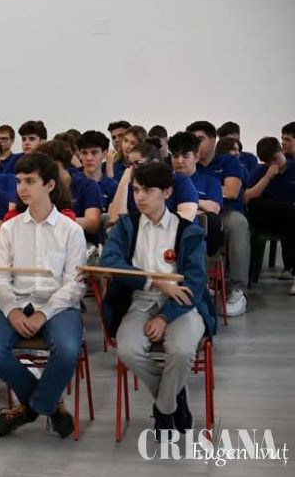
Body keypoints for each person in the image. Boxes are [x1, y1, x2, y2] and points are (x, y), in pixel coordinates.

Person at [100, 161, 215, 432]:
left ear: (166, 192)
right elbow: (110, 262)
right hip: (139, 300)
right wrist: (154, 281)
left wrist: (164, 317)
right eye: (136, 190)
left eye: (148, 190)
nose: (139, 197)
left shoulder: (188, 230)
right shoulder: (126, 226)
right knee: (127, 349)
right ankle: (174, 396)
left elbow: (195, 284)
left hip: (182, 304)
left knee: (182, 350)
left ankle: (164, 409)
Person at [0, 152, 85, 439]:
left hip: (58, 305)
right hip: (15, 301)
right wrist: (12, 310)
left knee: (67, 350)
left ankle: (29, 409)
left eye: (30, 181)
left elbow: (75, 285)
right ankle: (49, 404)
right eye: (19, 181)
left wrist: (44, 313)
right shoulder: (9, 229)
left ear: (50, 185)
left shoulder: (71, 230)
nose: (22, 188)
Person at [187, 121, 249, 317]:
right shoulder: (189, 162)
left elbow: (232, 191)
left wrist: (203, 193)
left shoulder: (228, 161)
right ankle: (200, 284)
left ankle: (238, 291)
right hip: (197, 211)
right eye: (192, 140)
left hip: (226, 212)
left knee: (238, 224)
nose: (196, 144)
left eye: (200, 139)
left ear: (213, 140)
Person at [244, 136, 295, 290]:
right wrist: (267, 177)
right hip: (267, 218)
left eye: (275, 159)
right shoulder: (261, 171)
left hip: (289, 220)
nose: (273, 164)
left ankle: (291, 268)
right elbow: (247, 198)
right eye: (268, 162)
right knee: (255, 203)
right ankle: (290, 268)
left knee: (292, 220)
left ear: (281, 150)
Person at [108, 142, 199, 224]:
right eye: (130, 165)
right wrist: (123, 183)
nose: (132, 169)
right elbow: (116, 221)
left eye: (138, 163)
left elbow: (186, 216)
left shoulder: (179, 181)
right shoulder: (133, 187)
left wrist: (150, 226)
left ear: (155, 162)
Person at [38, 140, 103, 245]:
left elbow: (92, 223)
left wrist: (57, 222)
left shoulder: (87, 185)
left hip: (84, 243)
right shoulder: (43, 187)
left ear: (63, 164)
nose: (46, 171)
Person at [75, 131, 120, 211]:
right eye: (84, 153)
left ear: (105, 154)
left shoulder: (112, 186)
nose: (89, 158)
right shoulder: (72, 182)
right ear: (80, 155)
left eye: (94, 152)